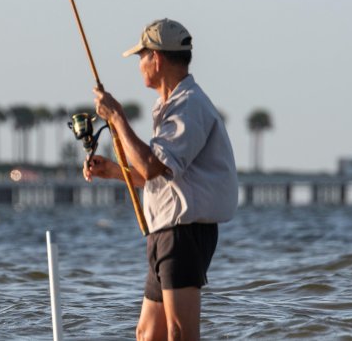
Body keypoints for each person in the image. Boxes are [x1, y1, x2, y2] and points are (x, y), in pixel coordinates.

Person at [83, 18, 238, 341]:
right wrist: (112, 171)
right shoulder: (169, 106)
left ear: (157, 58)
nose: (139, 65)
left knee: (179, 333)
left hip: (183, 234)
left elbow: (153, 166)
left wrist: (117, 118)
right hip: (166, 231)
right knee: (147, 333)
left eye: (141, 56)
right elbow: (159, 176)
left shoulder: (189, 106)